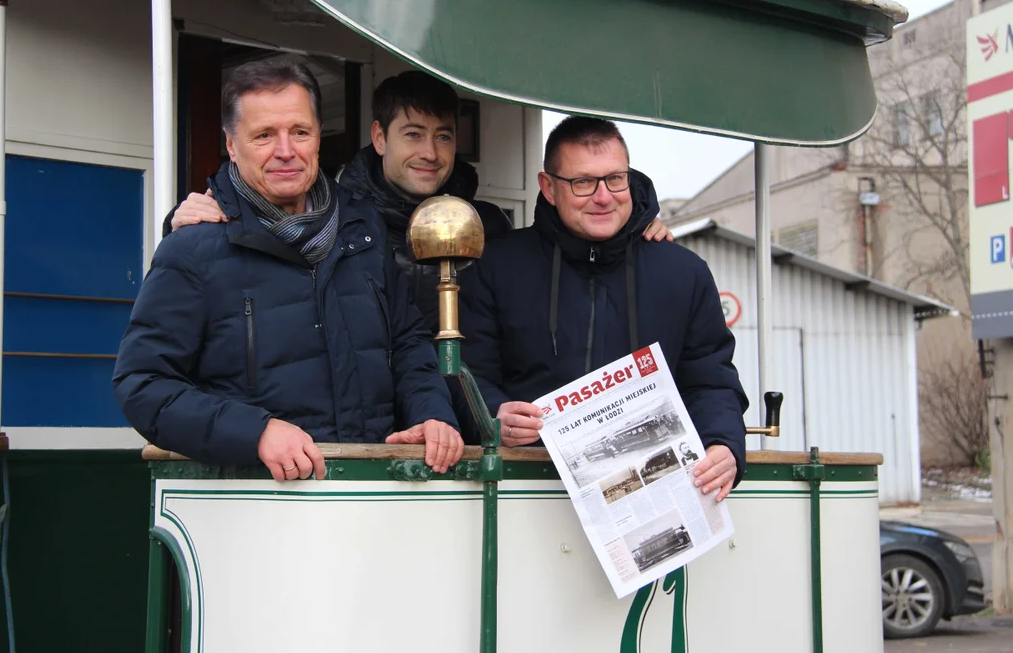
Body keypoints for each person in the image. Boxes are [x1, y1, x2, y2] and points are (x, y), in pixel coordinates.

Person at [167, 70, 673, 441]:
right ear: (379, 137)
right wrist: (183, 218)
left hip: (463, 436)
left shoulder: (491, 227)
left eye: (444, 136)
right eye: (413, 134)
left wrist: (633, 226)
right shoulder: (341, 226)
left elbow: (572, 230)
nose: (430, 152)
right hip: (363, 440)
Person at [113, 59, 464, 481]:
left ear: (318, 136)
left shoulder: (362, 230)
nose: (286, 150)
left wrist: (431, 414)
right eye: (264, 135)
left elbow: (408, 343)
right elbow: (143, 385)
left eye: (300, 132)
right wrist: (255, 432)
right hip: (259, 507)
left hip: (374, 494)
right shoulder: (193, 247)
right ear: (230, 144)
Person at [460, 116, 747, 501]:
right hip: (523, 491)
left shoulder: (684, 273)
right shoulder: (497, 266)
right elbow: (467, 371)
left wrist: (723, 445)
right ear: (548, 188)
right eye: (582, 182)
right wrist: (493, 415)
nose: (603, 196)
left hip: (653, 496)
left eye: (615, 179)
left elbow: (710, 380)